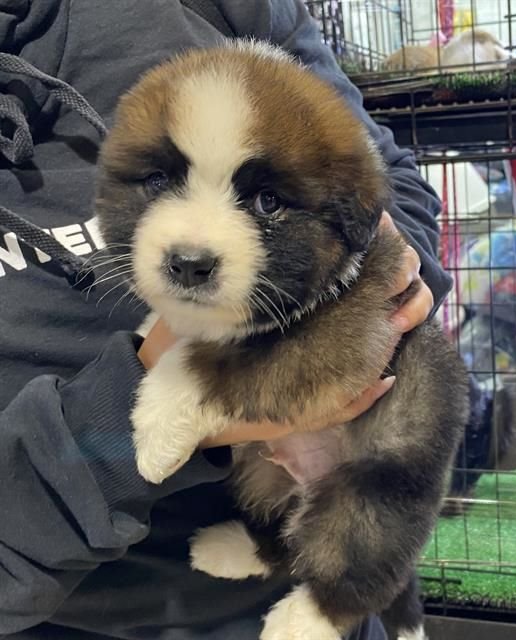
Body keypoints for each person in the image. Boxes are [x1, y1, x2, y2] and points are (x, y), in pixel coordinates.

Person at [0, 1, 451, 638]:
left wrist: (378, 283)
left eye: (264, 199)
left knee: (368, 501)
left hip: (326, 496)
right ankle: (286, 550)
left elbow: (386, 187)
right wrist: (143, 404)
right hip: (65, 614)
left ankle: (337, 597)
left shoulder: (223, 18)